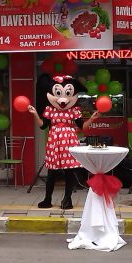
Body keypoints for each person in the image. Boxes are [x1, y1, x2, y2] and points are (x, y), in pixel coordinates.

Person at [28, 74, 99, 209]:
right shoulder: (49, 110)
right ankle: (47, 199)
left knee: (69, 172)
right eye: (59, 93)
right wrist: (35, 114)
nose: (63, 98)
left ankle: (67, 199)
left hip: (69, 143)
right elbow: (43, 126)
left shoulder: (74, 111)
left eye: (67, 93)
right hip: (54, 143)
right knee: (52, 172)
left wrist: (91, 120)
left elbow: (82, 127)